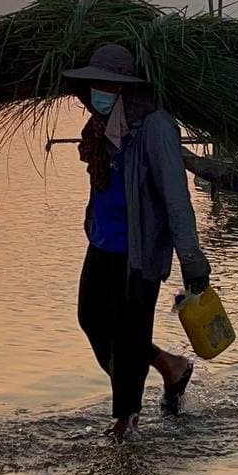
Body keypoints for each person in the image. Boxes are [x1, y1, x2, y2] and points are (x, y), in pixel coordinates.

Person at [63, 43, 211, 441]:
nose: (99, 91)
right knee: (92, 320)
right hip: (102, 242)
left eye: (107, 85)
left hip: (139, 251)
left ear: (125, 87)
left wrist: (192, 260)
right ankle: (170, 367)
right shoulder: (101, 126)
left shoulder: (155, 127)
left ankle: (126, 423)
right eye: (94, 84)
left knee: (127, 338)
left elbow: (176, 198)